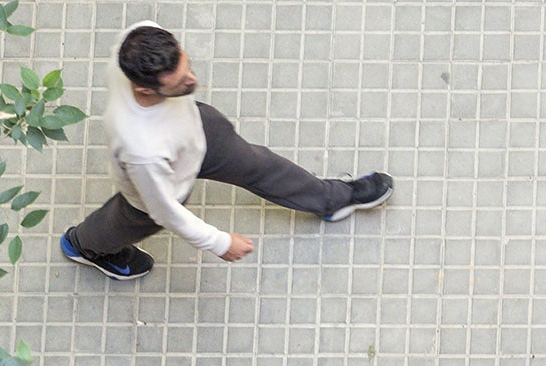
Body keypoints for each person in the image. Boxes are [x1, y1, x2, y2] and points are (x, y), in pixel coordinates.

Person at [59, 22, 393, 282]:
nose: (193, 80)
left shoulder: (139, 36)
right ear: (144, 89)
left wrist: (182, 95)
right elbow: (164, 211)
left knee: (260, 165)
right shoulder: (142, 150)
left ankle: (332, 200)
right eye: (180, 83)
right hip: (163, 181)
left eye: (187, 67)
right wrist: (219, 243)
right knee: (128, 221)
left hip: (200, 134)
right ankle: (83, 246)